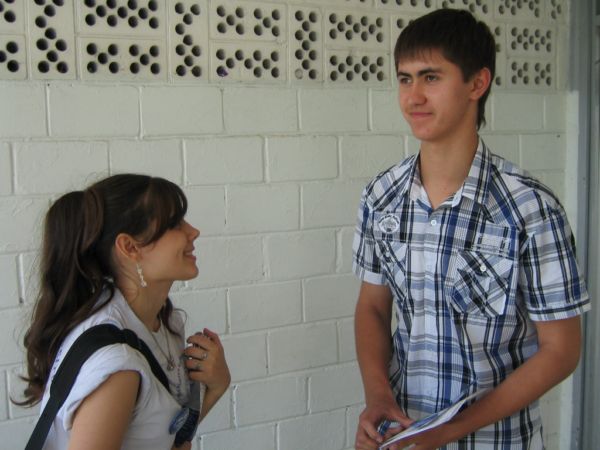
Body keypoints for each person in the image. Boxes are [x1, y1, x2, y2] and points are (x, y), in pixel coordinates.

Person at [352, 8, 589, 450]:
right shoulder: (381, 196)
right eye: (405, 79)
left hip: (497, 441)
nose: (413, 97)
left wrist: (447, 432)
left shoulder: (530, 207)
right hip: (402, 434)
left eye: (431, 78)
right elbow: (373, 308)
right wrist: (378, 397)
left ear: (477, 84)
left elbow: (561, 351)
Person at [17, 174, 230, 449]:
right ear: (130, 248)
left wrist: (215, 388)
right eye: (175, 224)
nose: (193, 231)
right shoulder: (118, 366)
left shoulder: (160, 322)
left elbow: (165, 440)